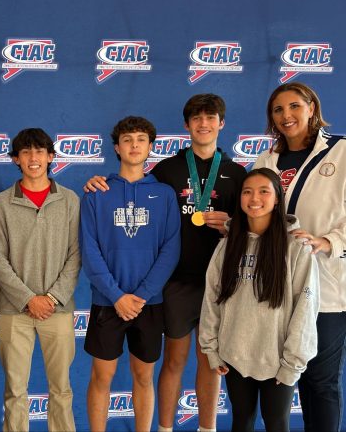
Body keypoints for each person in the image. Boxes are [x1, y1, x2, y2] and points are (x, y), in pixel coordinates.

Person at [85, 94, 246, 431]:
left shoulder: (236, 173)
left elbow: (250, 225)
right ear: (187, 125)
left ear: (221, 123)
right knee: (170, 360)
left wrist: (232, 223)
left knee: (210, 360)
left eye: (210, 117)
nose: (203, 123)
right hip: (170, 285)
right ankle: (165, 427)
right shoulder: (165, 172)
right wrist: (120, 295)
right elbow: (95, 244)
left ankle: (207, 427)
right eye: (196, 118)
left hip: (218, 282)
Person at [254, 82, 346, 432]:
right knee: (281, 381)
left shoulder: (341, 152)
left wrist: (327, 241)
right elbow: (257, 211)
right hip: (277, 288)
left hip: (326, 288)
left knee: (319, 383)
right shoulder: (266, 160)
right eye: (278, 110)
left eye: (294, 106)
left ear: (312, 108)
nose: (286, 116)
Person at [199, 168, 319, 432]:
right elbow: (212, 297)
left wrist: (292, 363)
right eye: (247, 192)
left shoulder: (296, 247)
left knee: (277, 423)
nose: (255, 198)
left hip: (277, 360)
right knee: (241, 421)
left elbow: (305, 309)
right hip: (234, 355)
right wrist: (211, 349)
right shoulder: (228, 245)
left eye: (264, 191)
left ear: (277, 198)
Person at [81, 116, 181, 432]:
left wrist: (140, 295)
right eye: (127, 139)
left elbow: (170, 249)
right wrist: (116, 296)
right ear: (117, 147)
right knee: (102, 377)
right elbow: (89, 250)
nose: (134, 144)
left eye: (140, 139)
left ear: (151, 147)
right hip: (107, 302)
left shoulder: (164, 194)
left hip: (148, 304)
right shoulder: (96, 192)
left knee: (143, 376)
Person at [0, 128, 80, 432]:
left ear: (51, 157)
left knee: (62, 390)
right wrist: (29, 298)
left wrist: (51, 298)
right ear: (16, 159)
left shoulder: (69, 200)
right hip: (16, 310)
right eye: (26, 152)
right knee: (15, 391)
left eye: (40, 151)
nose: (33, 158)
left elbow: (75, 256)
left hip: (59, 309)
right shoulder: (1, 203)